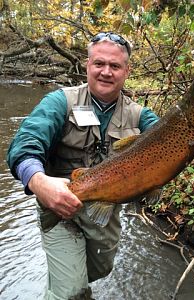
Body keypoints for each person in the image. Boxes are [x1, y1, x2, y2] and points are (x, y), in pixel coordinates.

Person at [7, 32, 159, 299]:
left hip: (103, 213)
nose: (106, 72)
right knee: (72, 293)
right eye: (99, 64)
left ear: (127, 71)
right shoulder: (59, 103)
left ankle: (61, 283)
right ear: (87, 65)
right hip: (59, 210)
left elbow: (168, 137)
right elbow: (25, 143)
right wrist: (38, 181)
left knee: (98, 270)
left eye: (115, 66)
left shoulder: (140, 116)